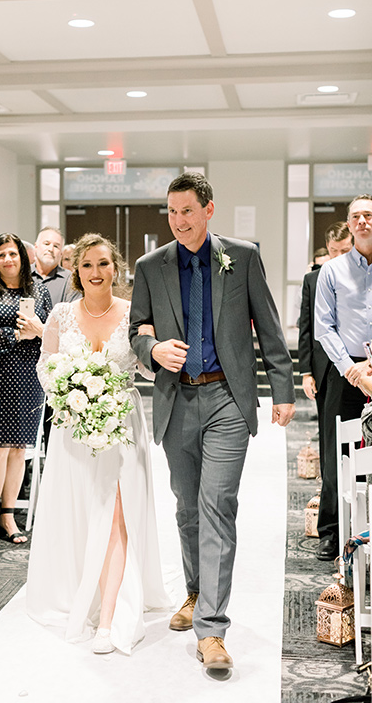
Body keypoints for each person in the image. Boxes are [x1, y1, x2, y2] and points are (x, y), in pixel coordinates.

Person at [129, 172, 295, 670]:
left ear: (209, 210)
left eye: (187, 211)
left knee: (218, 503)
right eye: (172, 212)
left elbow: (268, 324)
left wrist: (282, 387)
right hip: (176, 400)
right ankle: (196, 593)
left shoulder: (240, 256)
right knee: (187, 507)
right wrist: (153, 348)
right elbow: (137, 329)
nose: (178, 221)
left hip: (226, 396)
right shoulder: (151, 266)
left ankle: (212, 631)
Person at [27, 233, 170, 656]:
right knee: (81, 512)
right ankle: (81, 592)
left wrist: (155, 356)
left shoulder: (132, 315)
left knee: (115, 515)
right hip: (73, 428)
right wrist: (71, 392)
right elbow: (44, 368)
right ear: (77, 270)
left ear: (116, 268)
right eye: (87, 264)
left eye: (104, 264)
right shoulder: (59, 315)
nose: (95, 272)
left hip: (122, 425)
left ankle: (110, 617)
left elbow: (146, 368)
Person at [0, 234, 52, 547]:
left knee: (19, 450)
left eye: (13, 254)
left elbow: (51, 331)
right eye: (1, 254)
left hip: (29, 377)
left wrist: (37, 331)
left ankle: (8, 517)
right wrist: (15, 336)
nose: (8, 259)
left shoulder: (39, 290)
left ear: (23, 257)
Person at [314, 195, 372, 561]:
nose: (363, 221)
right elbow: (323, 325)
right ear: (348, 225)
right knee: (339, 453)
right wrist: (350, 368)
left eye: (369, 215)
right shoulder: (332, 271)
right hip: (345, 370)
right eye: (357, 217)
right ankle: (331, 530)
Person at [298, 223, 352, 551]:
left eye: (345, 252)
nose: (338, 258)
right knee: (331, 453)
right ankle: (330, 531)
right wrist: (307, 371)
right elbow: (307, 327)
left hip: (362, 369)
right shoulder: (314, 280)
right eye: (334, 253)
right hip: (328, 372)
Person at [32, 227, 81, 450]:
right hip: (20, 365)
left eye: (56, 245)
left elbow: (70, 327)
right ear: (35, 247)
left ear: (61, 253)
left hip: (57, 369)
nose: (51, 249)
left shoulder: (71, 281)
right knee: (21, 441)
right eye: (46, 243)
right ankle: (23, 486)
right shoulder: (21, 277)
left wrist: (38, 329)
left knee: (55, 436)